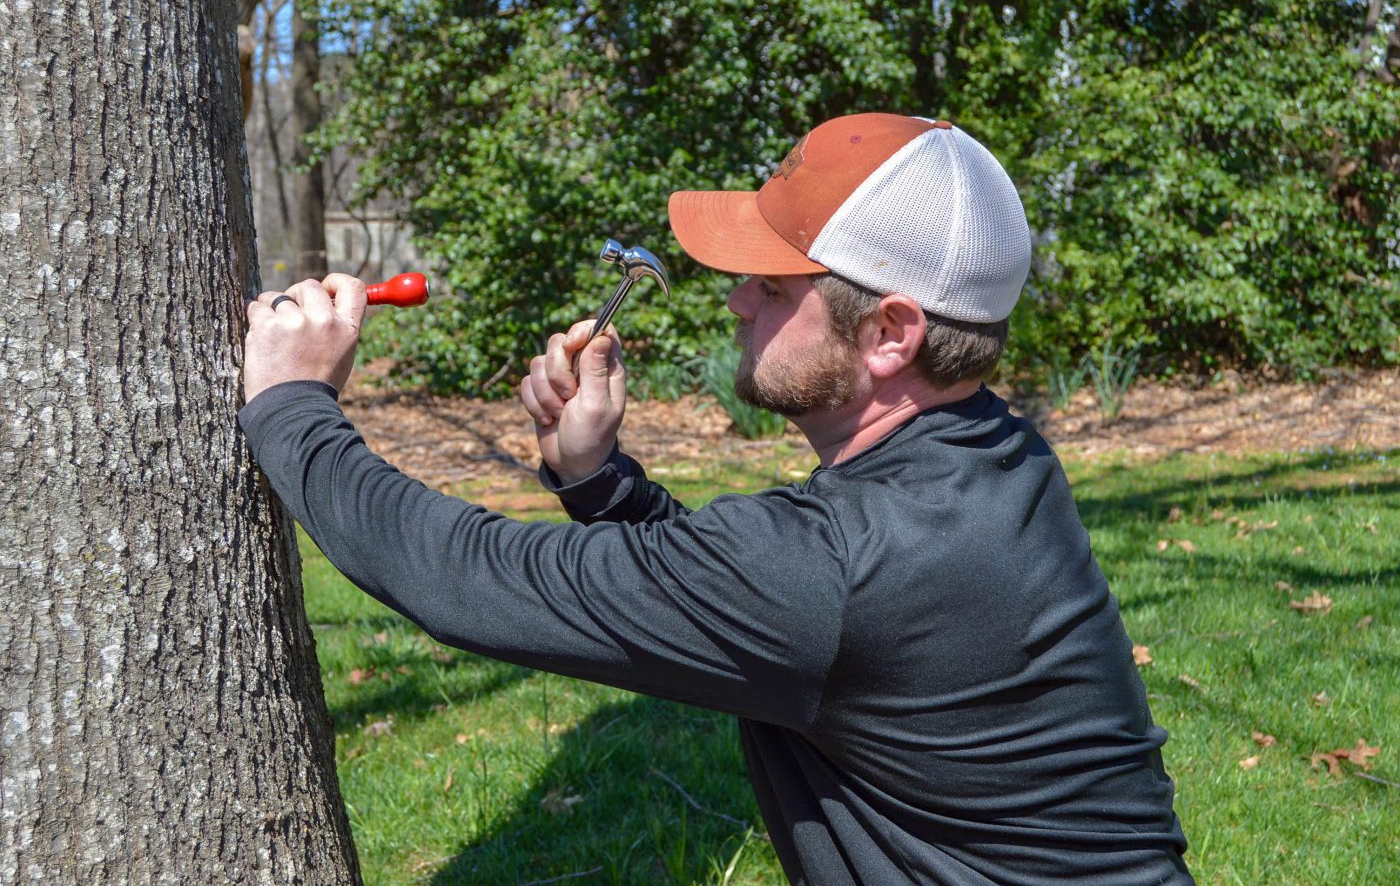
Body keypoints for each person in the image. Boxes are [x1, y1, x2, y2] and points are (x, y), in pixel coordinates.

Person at [240, 113, 1193, 885]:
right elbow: (771, 610)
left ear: (892, 332)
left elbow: (470, 580)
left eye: (773, 286)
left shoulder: (845, 558)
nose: (736, 299)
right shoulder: (995, 458)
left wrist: (294, 405)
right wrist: (598, 480)